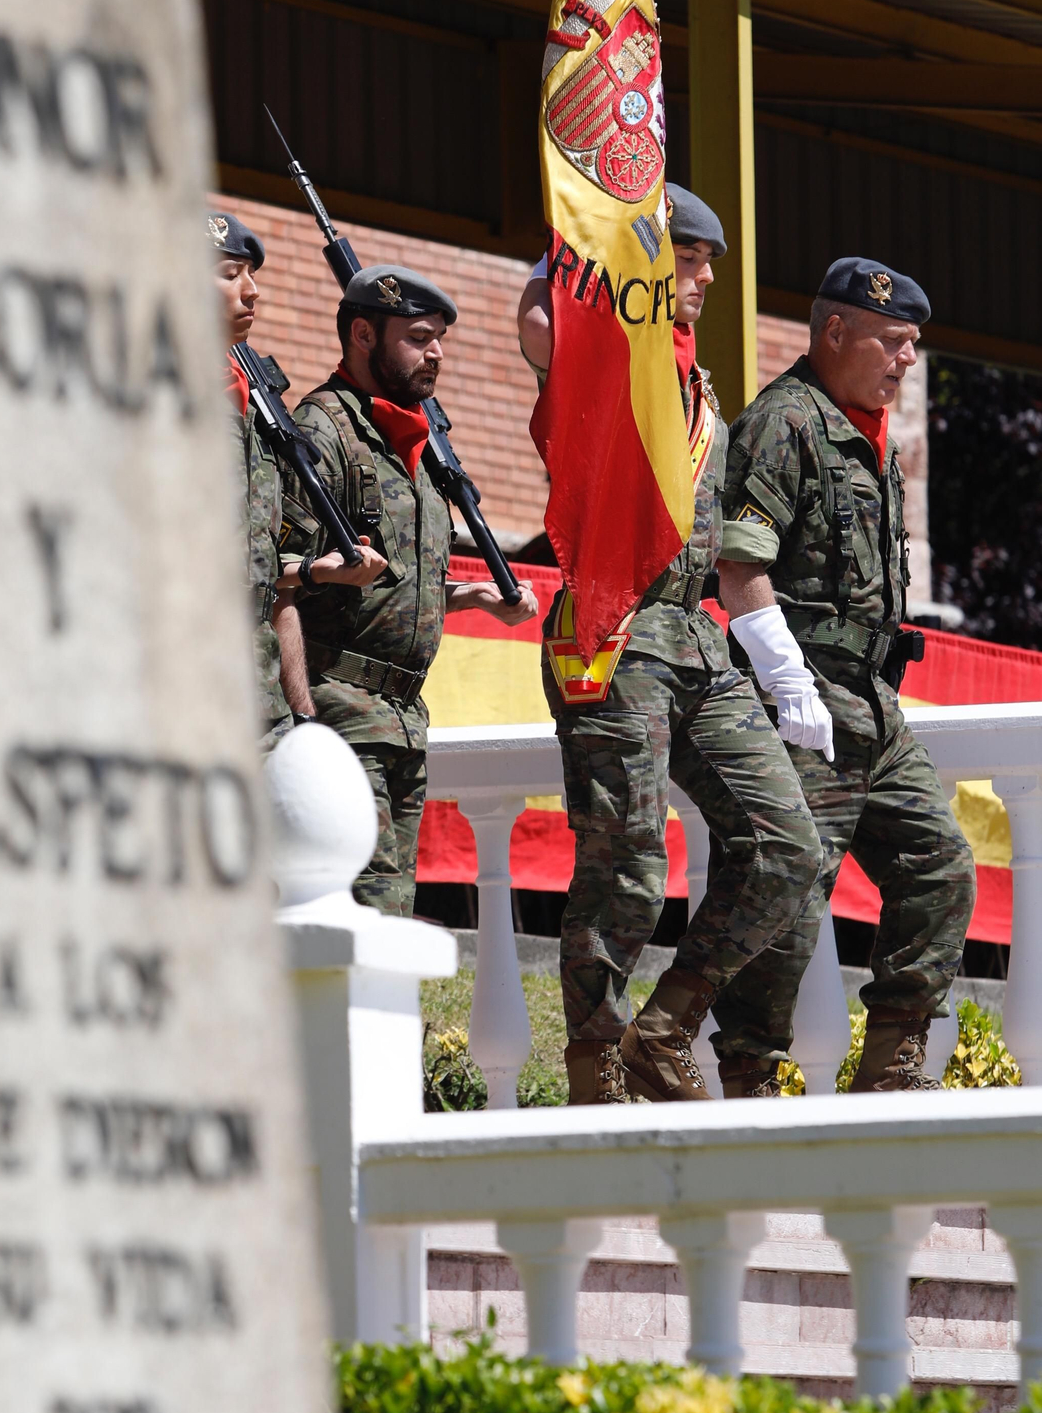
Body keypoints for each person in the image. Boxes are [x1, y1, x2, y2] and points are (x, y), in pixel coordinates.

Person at [521, 186, 822, 1103]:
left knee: (788, 847)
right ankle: (596, 1064)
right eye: (686, 261)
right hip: (613, 626)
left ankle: (665, 1029)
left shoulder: (696, 386)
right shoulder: (605, 361)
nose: (701, 279)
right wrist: (592, 245)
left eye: (705, 265)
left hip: (695, 633)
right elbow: (541, 319)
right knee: (629, 863)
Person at [716, 258, 977, 1094]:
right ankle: (747, 1070)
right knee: (790, 891)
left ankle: (894, 1059)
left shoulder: (867, 435)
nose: (906, 361)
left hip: (873, 700)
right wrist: (786, 680)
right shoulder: (784, 422)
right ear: (835, 332)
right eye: (893, 342)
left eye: (913, 346)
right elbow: (738, 563)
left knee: (940, 864)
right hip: (806, 697)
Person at [280, 263, 539, 915]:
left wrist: (466, 597)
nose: (438, 353)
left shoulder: (419, 448)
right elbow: (273, 570)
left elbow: (388, 578)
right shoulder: (324, 432)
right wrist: (304, 714)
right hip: (338, 710)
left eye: (441, 338)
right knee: (358, 915)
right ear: (363, 335)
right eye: (420, 338)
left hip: (403, 721)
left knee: (389, 913)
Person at [210, 212, 385, 750]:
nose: (252, 290)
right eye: (229, 272)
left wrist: (301, 718)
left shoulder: (254, 416)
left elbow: (265, 587)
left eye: (252, 274)